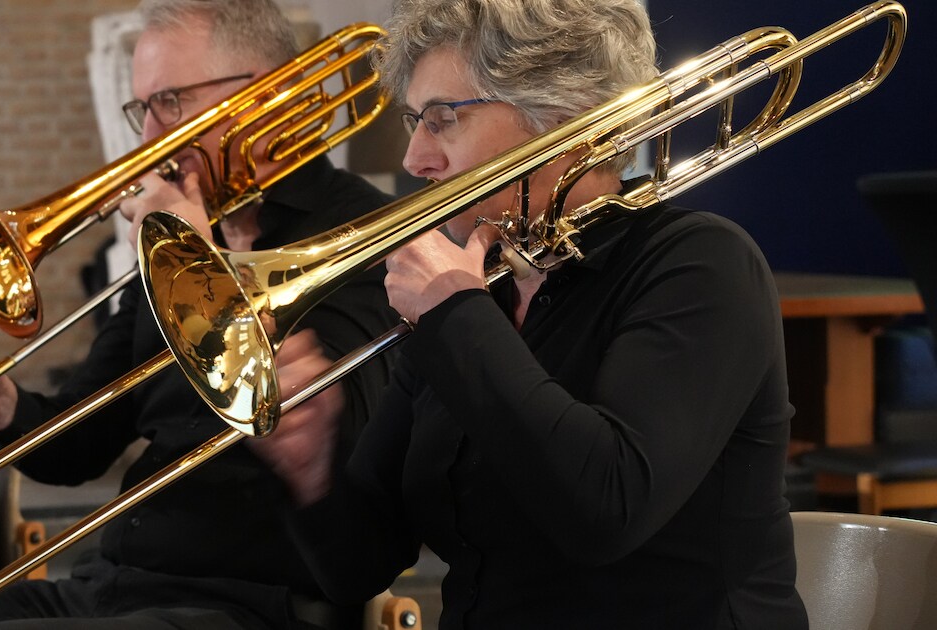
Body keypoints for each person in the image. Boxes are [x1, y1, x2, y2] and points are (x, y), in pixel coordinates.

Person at [0, 1, 398, 628]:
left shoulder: (360, 234)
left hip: (246, 599)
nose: (147, 141)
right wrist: (6, 406)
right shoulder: (178, 242)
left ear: (261, 93)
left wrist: (205, 267)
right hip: (112, 585)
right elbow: (86, 442)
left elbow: (349, 452)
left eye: (169, 102)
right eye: (142, 109)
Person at [251, 0, 810, 627]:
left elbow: (605, 510)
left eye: (441, 120)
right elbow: (357, 567)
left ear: (560, 115)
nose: (414, 159)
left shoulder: (702, 264)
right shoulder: (474, 293)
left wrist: (455, 316)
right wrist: (312, 465)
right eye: (415, 119)